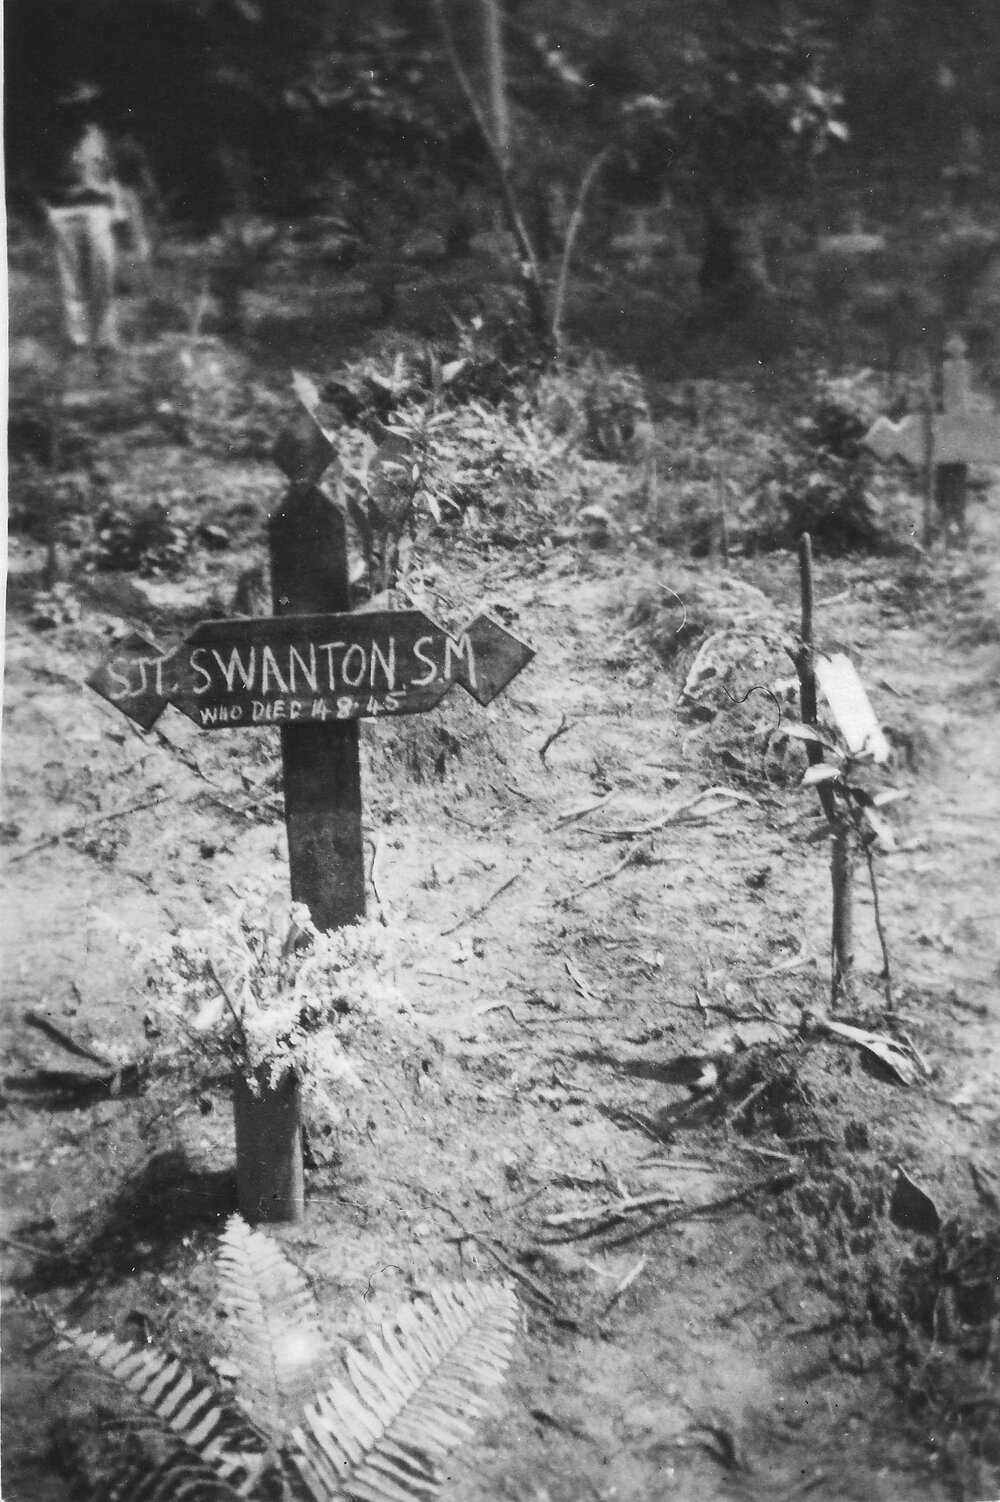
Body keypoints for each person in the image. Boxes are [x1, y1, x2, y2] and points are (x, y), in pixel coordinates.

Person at [41, 81, 124, 354]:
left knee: (103, 272)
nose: (81, 111)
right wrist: (46, 208)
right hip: (63, 209)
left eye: (85, 105)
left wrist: (117, 207)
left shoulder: (97, 135)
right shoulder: (51, 137)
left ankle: (103, 339)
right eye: (75, 107)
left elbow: (109, 173)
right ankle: (76, 341)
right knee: (70, 278)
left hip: (96, 208)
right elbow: (32, 177)